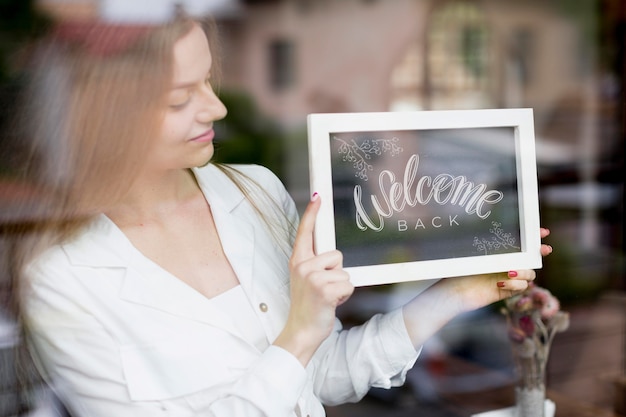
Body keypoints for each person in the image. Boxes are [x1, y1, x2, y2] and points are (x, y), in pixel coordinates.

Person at [9, 13, 553, 417]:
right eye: (180, 99)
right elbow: (296, 354)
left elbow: (319, 378)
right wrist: (296, 334)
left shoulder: (253, 192)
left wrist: (459, 292)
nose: (217, 108)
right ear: (109, 116)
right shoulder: (63, 276)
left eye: (208, 81)